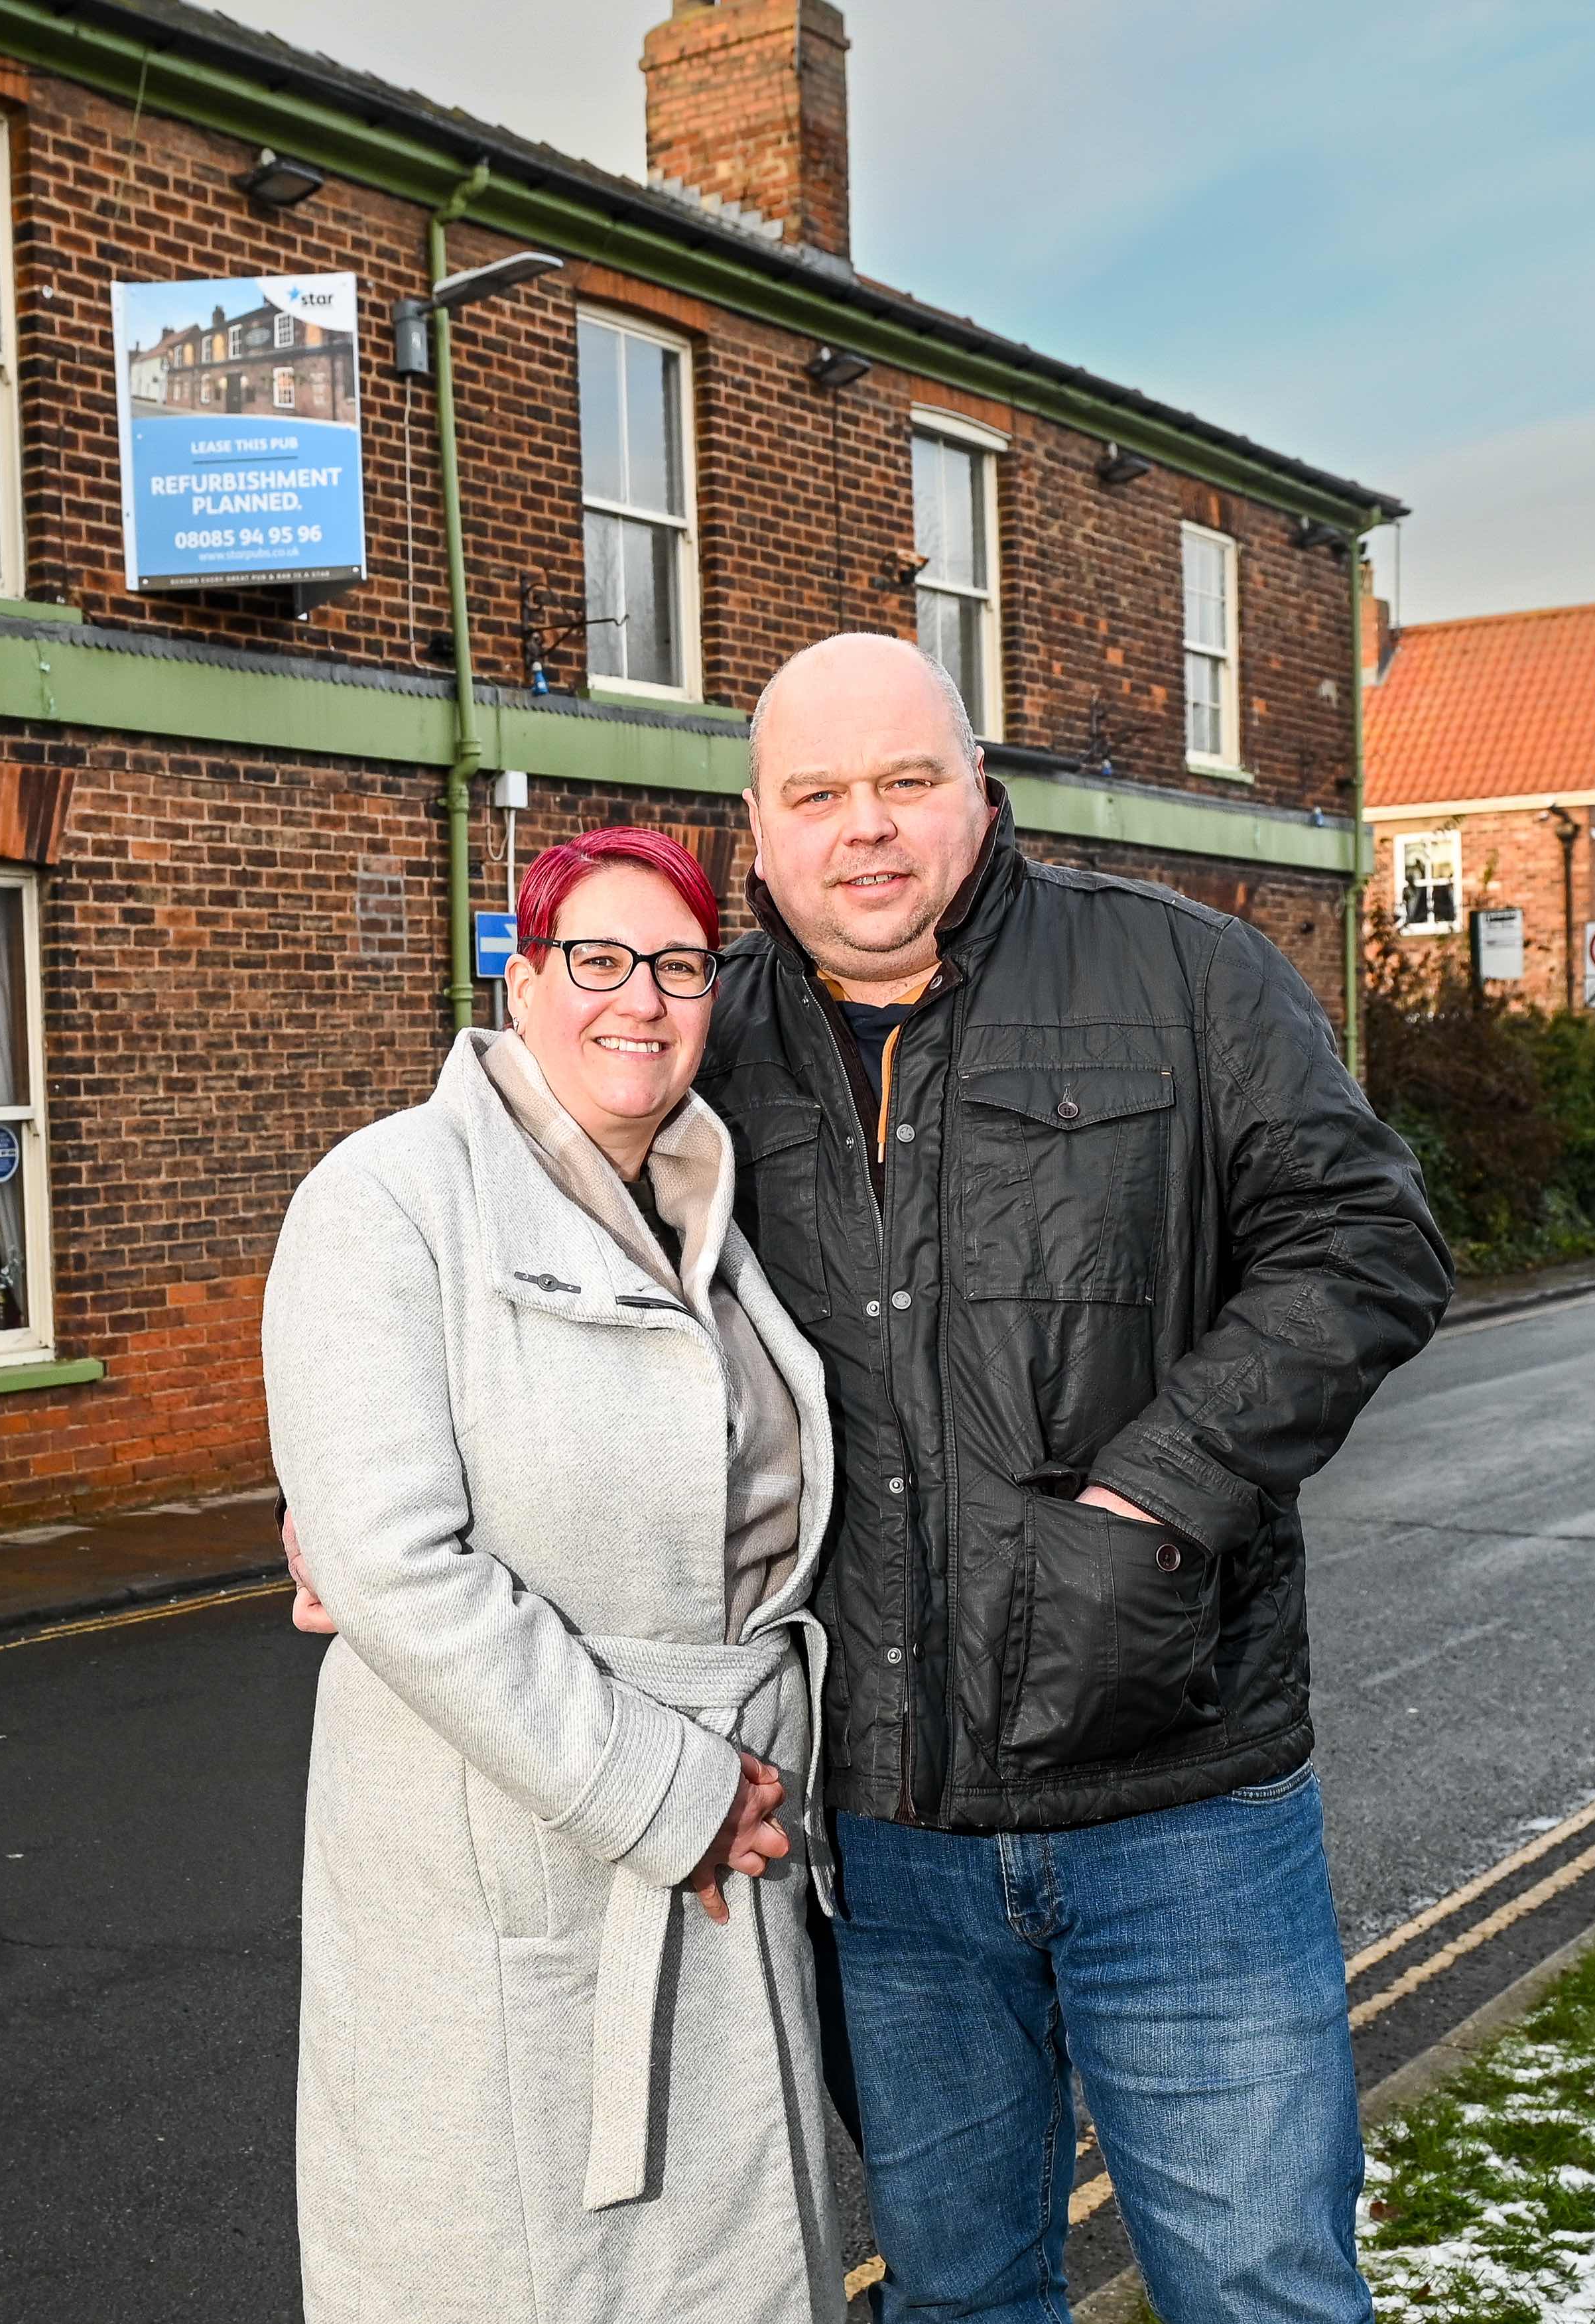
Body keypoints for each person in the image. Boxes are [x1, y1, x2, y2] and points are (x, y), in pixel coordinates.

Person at [294, 636, 1452, 2323]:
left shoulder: (1189, 976)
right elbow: (506, 1265)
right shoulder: (696, 1042)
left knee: (1266, 2282)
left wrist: (1157, 1498)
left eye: (908, 780)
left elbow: (1369, 1241)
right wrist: (350, 1475)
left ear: (980, 792)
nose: (869, 829)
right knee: (962, 2294)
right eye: (817, 793)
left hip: (1181, 1790)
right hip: (883, 1830)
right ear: (754, 832)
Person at [264, 826, 847, 2324]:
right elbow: (394, 1563)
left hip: (736, 1833)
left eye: (678, 965)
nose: (638, 999)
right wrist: (669, 1789)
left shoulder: (713, 1205)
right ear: (520, 980)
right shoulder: (388, 1193)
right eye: (595, 957)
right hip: (516, 1855)